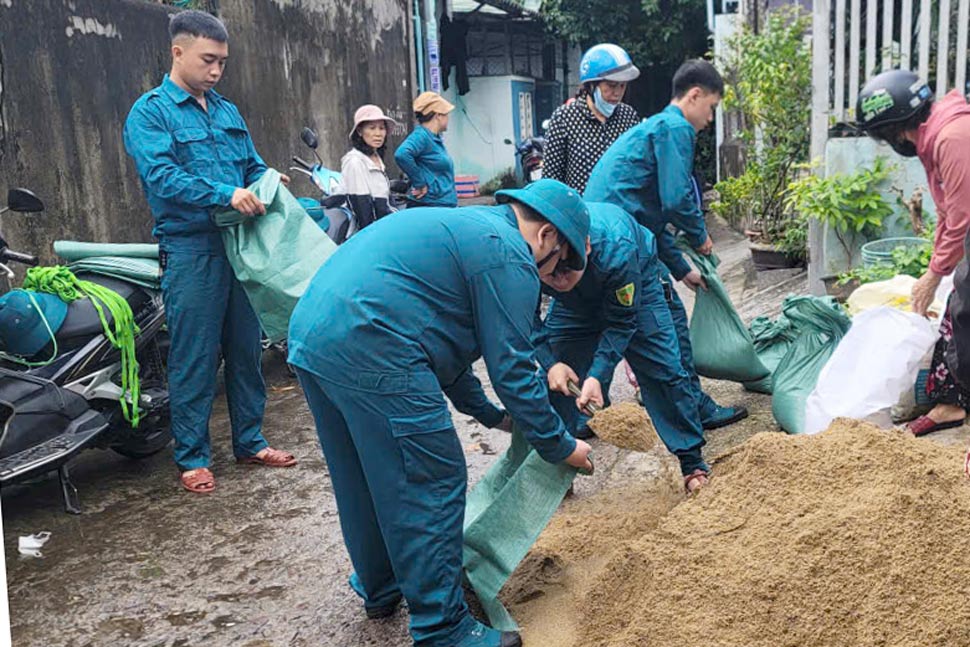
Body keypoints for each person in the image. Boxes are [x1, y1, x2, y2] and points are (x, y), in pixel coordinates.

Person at [287, 179, 593, 647]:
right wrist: (560, 446)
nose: (549, 279)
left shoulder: (470, 230)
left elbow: (447, 354)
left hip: (314, 334)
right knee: (429, 476)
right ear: (548, 235)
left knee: (362, 474)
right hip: (374, 341)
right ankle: (442, 627)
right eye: (556, 268)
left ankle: (380, 584)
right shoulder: (508, 254)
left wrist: (494, 417)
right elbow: (512, 371)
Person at [123, 10, 296, 494]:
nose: (216, 70)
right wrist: (225, 192)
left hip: (240, 248)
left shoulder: (226, 111)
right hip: (191, 250)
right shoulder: (151, 112)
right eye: (208, 60)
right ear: (178, 52)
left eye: (222, 62)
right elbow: (161, 177)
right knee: (195, 356)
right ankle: (193, 456)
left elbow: (251, 164)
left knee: (246, 350)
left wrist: (266, 178)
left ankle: (250, 441)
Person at [584, 59, 748, 431]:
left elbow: (649, 216)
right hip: (619, 242)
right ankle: (695, 410)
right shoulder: (675, 127)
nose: (709, 120)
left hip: (606, 237)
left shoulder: (654, 128)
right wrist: (700, 236)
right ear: (694, 96)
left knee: (616, 323)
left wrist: (681, 268)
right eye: (711, 108)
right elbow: (675, 201)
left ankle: (582, 413)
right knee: (669, 325)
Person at [536, 201, 710, 492]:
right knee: (555, 381)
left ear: (586, 248)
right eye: (553, 275)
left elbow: (622, 321)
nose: (562, 281)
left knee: (665, 370)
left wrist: (597, 375)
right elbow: (521, 319)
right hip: (571, 308)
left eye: (568, 272)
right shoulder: (525, 255)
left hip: (635, 286)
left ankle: (691, 462)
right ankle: (560, 467)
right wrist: (550, 362)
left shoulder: (618, 249)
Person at [856, 70, 970, 437]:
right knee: (956, 307)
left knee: (963, 308)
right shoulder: (934, 137)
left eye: (892, 134)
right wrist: (932, 270)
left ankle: (955, 402)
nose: (897, 141)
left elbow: (963, 216)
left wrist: (936, 273)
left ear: (897, 127)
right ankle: (952, 403)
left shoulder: (951, 136)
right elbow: (946, 210)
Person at [543, 43, 641, 194]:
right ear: (591, 85)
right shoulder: (564, 118)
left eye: (622, 86)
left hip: (619, 211)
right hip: (581, 211)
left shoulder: (628, 117)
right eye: (611, 85)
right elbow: (551, 180)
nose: (617, 93)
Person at [394, 91, 458, 208]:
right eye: (446, 114)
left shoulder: (433, 138)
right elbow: (402, 154)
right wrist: (420, 183)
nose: (448, 118)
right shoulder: (422, 136)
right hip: (431, 205)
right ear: (438, 116)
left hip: (441, 204)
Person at [341, 104, 400, 231]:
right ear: (359, 131)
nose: (378, 134)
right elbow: (362, 209)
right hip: (373, 233)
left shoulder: (376, 158)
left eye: (381, 128)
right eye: (372, 128)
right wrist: (372, 237)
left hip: (387, 226)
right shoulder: (355, 162)